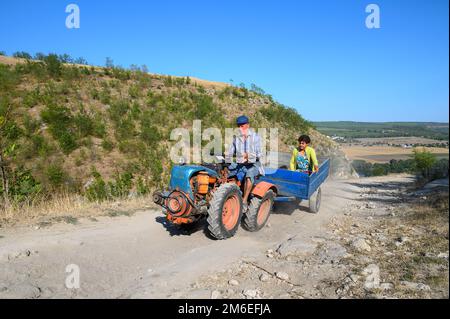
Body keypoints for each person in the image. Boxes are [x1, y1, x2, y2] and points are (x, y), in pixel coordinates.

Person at [226, 115, 264, 211]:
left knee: (249, 174)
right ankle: (229, 195)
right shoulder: (236, 138)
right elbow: (230, 151)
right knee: (226, 170)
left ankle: (244, 201)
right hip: (241, 163)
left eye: (242, 125)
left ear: (247, 125)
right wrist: (226, 156)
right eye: (238, 126)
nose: (240, 128)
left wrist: (249, 155)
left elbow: (260, 154)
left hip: (254, 164)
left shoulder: (256, 137)